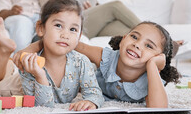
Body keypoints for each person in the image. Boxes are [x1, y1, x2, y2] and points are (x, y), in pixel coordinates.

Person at [15, 21, 182, 107]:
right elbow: (72, 43)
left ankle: (171, 47)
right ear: (123, 40)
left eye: (148, 46)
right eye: (134, 37)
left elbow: (158, 107)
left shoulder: (151, 79)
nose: (137, 45)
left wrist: (153, 66)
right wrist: (33, 46)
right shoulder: (107, 57)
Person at [0, 0, 104, 110]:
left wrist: (91, 101)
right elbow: (41, 105)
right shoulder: (29, 63)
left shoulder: (82, 62)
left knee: (9, 70)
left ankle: (8, 64)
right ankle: (4, 50)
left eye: (73, 29)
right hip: (20, 86)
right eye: (58, 25)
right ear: (41, 28)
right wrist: (39, 75)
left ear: (79, 36)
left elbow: (94, 92)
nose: (65, 35)